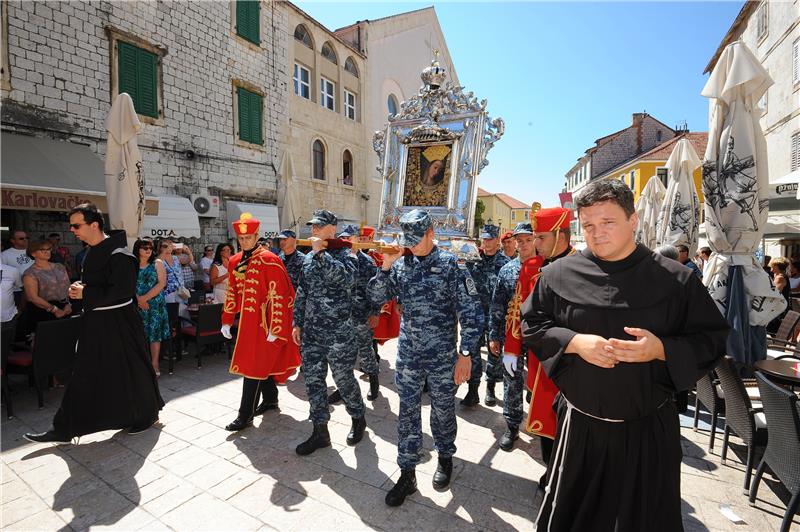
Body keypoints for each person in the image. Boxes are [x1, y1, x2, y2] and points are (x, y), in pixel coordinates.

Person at [521, 179, 728, 531]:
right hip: (580, 430)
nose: (597, 234)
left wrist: (661, 349)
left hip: (648, 430)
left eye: (608, 222)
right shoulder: (557, 275)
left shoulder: (677, 280)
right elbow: (532, 324)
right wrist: (574, 342)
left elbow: (712, 340)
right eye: (588, 225)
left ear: (633, 221)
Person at [367, 209, 483, 506]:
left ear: (432, 233)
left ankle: (445, 457)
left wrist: (466, 354)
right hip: (409, 354)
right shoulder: (401, 264)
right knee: (407, 412)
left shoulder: (450, 266)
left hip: (443, 356)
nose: (414, 245)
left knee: (442, 410)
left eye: (418, 239)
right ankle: (407, 473)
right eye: (410, 240)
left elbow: (471, 313)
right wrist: (385, 266)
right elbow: (376, 297)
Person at [24, 203, 163, 443]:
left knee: (134, 369)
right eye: (71, 226)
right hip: (97, 321)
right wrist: (78, 290)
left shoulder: (120, 255)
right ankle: (65, 427)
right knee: (85, 371)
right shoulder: (91, 251)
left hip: (120, 322)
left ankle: (146, 415)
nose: (73, 230)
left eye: (77, 225)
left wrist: (84, 294)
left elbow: (122, 291)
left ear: (94, 225)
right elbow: (97, 286)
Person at [292, 209, 367, 455]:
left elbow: (346, 279)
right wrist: (297, 323)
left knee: (343, 380)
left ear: (332, 229)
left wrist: (321, 253)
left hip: (338, 333)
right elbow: (302, 291)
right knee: (313, 381)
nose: (314, 230)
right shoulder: (308, 258)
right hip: (312, 332)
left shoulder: (347, 254)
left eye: (319, 226)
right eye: (312, 226)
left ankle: (358, 418)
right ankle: (320, 431)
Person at [220, 213, 301, 431]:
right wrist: (227, 320)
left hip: (264, 325)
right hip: (245, 324)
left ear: (257, 236)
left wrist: (276, 328)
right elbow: (232, 293)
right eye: (241, 238)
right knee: (256, 364)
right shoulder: (235, 261)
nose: (245, 242)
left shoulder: (270, 260)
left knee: (252, 367)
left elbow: (280, 296)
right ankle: (271, 399)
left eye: (249, 238)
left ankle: (244, 415)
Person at [488, 221, 544, 453]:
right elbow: (497, 305)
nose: (522, 245)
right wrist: (494, 335)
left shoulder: (546, 268)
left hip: (539, 336)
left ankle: (541, 421)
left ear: (536, 241)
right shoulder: (507, 270)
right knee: (511, 379)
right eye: (519, 241)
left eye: (528, 240)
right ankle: (511, 425)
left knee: (539, 380)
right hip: (511, 336)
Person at [328, 225, 381, 403]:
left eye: (350, 238)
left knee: (366, 352)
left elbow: (376, 291)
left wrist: (375, 312)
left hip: (361, 316)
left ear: (357, 240)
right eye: (344, 238)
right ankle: (343, 388)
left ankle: (374, 382)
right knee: (342, 356)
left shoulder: (367, 262)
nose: (348, 242)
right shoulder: (338, 259)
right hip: (342, 317)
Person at [462, 223, 509, 407]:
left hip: (495, 315)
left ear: (498, 240)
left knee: (494, 352)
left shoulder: (504, 263)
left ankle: (490, 386)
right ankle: (473, 390)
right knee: (472, 351)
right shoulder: (472, 259)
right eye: (484, 239)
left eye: (490, 239)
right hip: (474, 313)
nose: (486, 243)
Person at [17, 239, 72, 341]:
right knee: (47, 343)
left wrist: (68, 304)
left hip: (65, 308)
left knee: (66, 340)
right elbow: (32, 297)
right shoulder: (30, 273)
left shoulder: (60, 267)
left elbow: (68, 286)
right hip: (43, 310)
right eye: (43, 250)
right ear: (33, 254)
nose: (47, 252)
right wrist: (54, 309)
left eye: (49, 249)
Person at [134, 238, 169, 376]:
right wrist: (138, 300)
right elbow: (127, 283)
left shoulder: (157, 263)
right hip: (137, 304)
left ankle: (155, 363)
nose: (148, 250)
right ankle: (141, 363)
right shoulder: (132, 264)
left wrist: (144, 298)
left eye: (150, 247)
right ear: (138, 249)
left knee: (154, 334)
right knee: (139, 334)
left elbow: (161, 284)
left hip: (154, 304)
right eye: (145, 247)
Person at [767, 257, 792, 334]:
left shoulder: (780, 278)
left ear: (777, 266)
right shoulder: (777, 275)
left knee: (769, 328)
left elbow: (775, 294)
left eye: (772, 265)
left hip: (779, 308)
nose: (770, 266)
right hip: (780, 306)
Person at [155, 239, 183, 304]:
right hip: (167, 292)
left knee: (182, 312)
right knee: (170, 311)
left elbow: (189, 261)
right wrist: (165, 251)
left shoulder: (175, 258)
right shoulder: (159, 260)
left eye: (170, 245)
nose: (168, 247)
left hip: (180, 290)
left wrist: (187, 250)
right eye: (165, 246)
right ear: (160, 248)